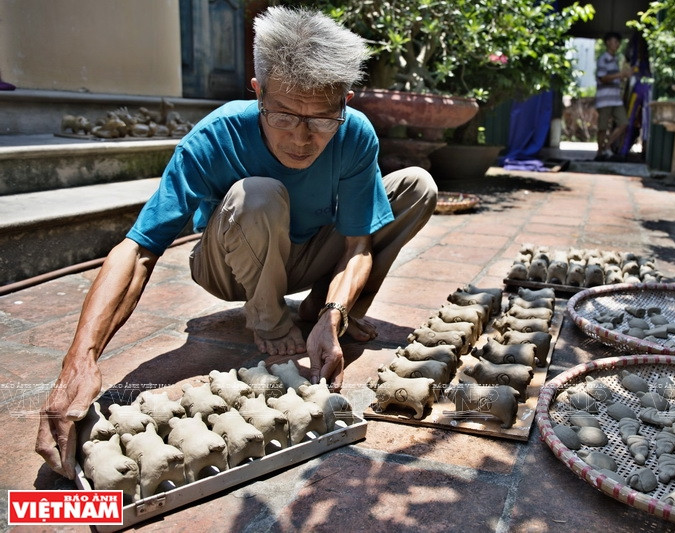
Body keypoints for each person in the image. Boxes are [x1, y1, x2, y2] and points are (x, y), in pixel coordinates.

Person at [36, 6, 437, 479]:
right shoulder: (216, 135)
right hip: (228, 262)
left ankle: (313, 313)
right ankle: (267, 318)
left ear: (345, 102)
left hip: (305, 256)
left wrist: (335, 314)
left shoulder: (353, 134)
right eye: (284, 115)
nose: (303, 138)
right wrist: (79, 360)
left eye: (323, 119)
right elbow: (139, 249)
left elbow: (356, 245)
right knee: (260, 192)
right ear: (258, 91)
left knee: (417, 185)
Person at [594, 31, 631, 161]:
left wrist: (622, 78)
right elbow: (602, 77)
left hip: (615, 99)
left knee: (623, 123)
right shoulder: (603, 59)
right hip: (604, 99)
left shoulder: (616, 59)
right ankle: (600, 153)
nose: (616, 44)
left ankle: (606, 146)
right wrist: (620, 75)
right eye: (614, 41)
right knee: (602, 127)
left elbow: (613, 78)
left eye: (618, 42)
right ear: (607, 43)